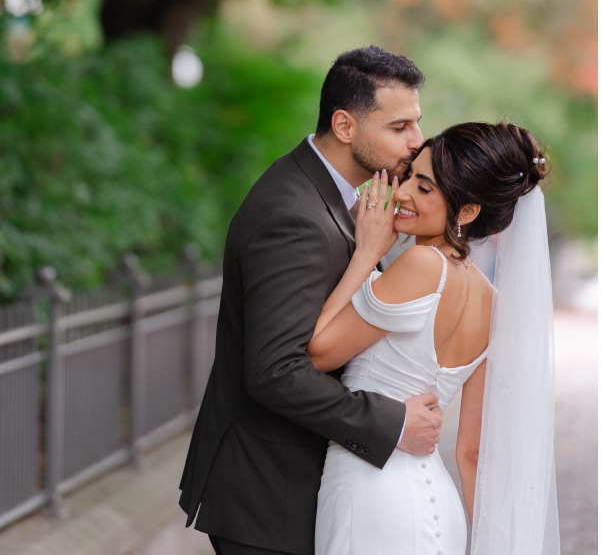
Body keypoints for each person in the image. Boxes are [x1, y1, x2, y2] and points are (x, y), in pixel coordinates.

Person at [180, 47, 440, 555]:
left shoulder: (338, 198)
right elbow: (275, 371)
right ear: (345, 126)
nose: (416, 141)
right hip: (269, 496)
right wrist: (392, 422)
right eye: (399, 127)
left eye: (417, 123)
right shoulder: (295, 216)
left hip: (296, 488)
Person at [307, 121, 558, 554]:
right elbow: (473, 453)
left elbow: (318, 353)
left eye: (424, 188)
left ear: (467, 211)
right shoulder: (494, 302)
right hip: (439, 507)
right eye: (408, 178)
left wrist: (367, 253)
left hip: (371, 493)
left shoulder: (422, 265)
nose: (401, 194)